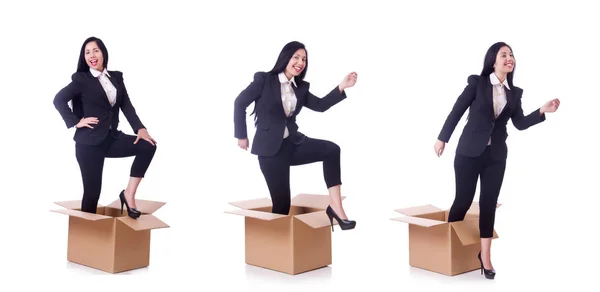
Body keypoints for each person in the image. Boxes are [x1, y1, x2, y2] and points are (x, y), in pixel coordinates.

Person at [434, 42, 560, 279]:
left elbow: (520, 123)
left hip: (496, 157)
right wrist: (442, 139)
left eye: (511, 55)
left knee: (488, 204)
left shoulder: (514, 93)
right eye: (504, 54)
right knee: (462, 200)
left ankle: (485, 257)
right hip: (468, 153)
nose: (509, 58)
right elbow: (457, 110)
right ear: (494, 60)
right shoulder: (477, 83)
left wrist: (541, 111)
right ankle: (447, 246)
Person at [233, 41, 357, 231]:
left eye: (304, 59)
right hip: (270, 152)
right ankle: (273, 250)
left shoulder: (300, 87)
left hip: (292, 144)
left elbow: (321, 105)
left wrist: (342, 86)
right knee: (282, 205)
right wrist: (242, 135)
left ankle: (336, 207)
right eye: (296, 57)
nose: (301, 62)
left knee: (331, 150)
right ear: (286, 57)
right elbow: (240, 102)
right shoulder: (264, 80)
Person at [53, 36, 157, 219]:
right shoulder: (81, 79)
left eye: (95, 50)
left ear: (103, 53)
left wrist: (140, 129)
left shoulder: (116, 77)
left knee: (148, 146)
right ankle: (87, 240)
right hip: (88, 144)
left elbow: (126, 106)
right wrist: (76, 121)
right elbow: (59, 99)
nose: (91, 55)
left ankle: (128, 194)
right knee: (92, 193)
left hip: (111, 138)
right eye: (87, 52)